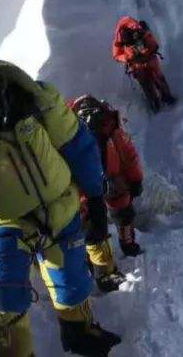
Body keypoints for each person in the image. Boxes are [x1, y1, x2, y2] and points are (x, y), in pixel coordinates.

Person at [0, 52, 122, 357]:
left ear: (1, 81)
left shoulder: (37, 100)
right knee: (0, 299)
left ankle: (79, 332)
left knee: (71, 278)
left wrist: (95, 194)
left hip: (60, 205)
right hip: (2, 223)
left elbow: (76, 143)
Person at [69, 94, 145, 292]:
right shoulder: (65, 134)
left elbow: (129, 156)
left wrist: (135, 179)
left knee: (123, 211)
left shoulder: (114, 131)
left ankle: (126, 242)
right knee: (89, 227)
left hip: (111, 177)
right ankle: (93, 264)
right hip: (83, 185)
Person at [111, 16, 177, 112]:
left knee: (159, 78)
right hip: (136, 65)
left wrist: (148, 50)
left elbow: (154, 44)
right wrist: (128, 57)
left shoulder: (141, 31)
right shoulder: (119, 40)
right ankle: (155, 104)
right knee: (146, 84)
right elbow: (116, 55)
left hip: (150, 59)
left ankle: (166, 97)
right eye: (129, 43)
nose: (133, 44)